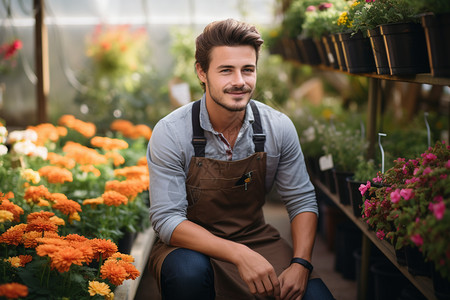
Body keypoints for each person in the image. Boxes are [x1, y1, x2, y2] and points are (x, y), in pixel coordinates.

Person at [147, 18, 334, 300]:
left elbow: (302, 200)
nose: (239, 82)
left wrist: (301, 263)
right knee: (187, 273)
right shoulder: (172, 132)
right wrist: (238, 253)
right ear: (202, 72)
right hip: (188, 245)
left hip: (255, 238)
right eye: (226, 70)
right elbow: (167, 220)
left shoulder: (277, 127)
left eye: (248, 70)